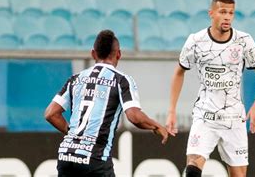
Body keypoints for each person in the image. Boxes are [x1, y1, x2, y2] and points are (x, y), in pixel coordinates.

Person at [166, 0, 255, 177]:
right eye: (223, 12)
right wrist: (171, 110)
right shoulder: (196, 41)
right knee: (192, 168)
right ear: (211, 13)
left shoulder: (243, 41)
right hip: (204, 116)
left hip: (234, 118)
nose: (228, 17)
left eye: (231, 13)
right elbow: (179, 72)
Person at [45, 30, 170, 176]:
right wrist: (156, 125)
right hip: (95, 158)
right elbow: (134, 116)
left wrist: (74, 135)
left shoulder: (76, 79)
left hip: (66, 156)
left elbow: (51, 113)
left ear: (93, 54)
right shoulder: (121, 80)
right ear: (119, 54)